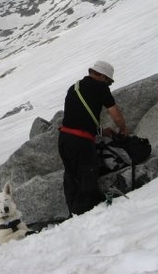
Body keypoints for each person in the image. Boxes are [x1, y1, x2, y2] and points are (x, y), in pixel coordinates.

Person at [58, 60, 128, 216]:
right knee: (87, 177)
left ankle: (73, 214)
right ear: (102, 76)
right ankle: (87, 215)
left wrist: (102, 131)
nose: (108, 85)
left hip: (64, 139)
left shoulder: (74, 87)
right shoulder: (100, 87)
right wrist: (123, 128)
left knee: (71, 175)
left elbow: (78, 118)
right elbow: (115, 114)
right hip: (81, 143)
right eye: (109, 82)